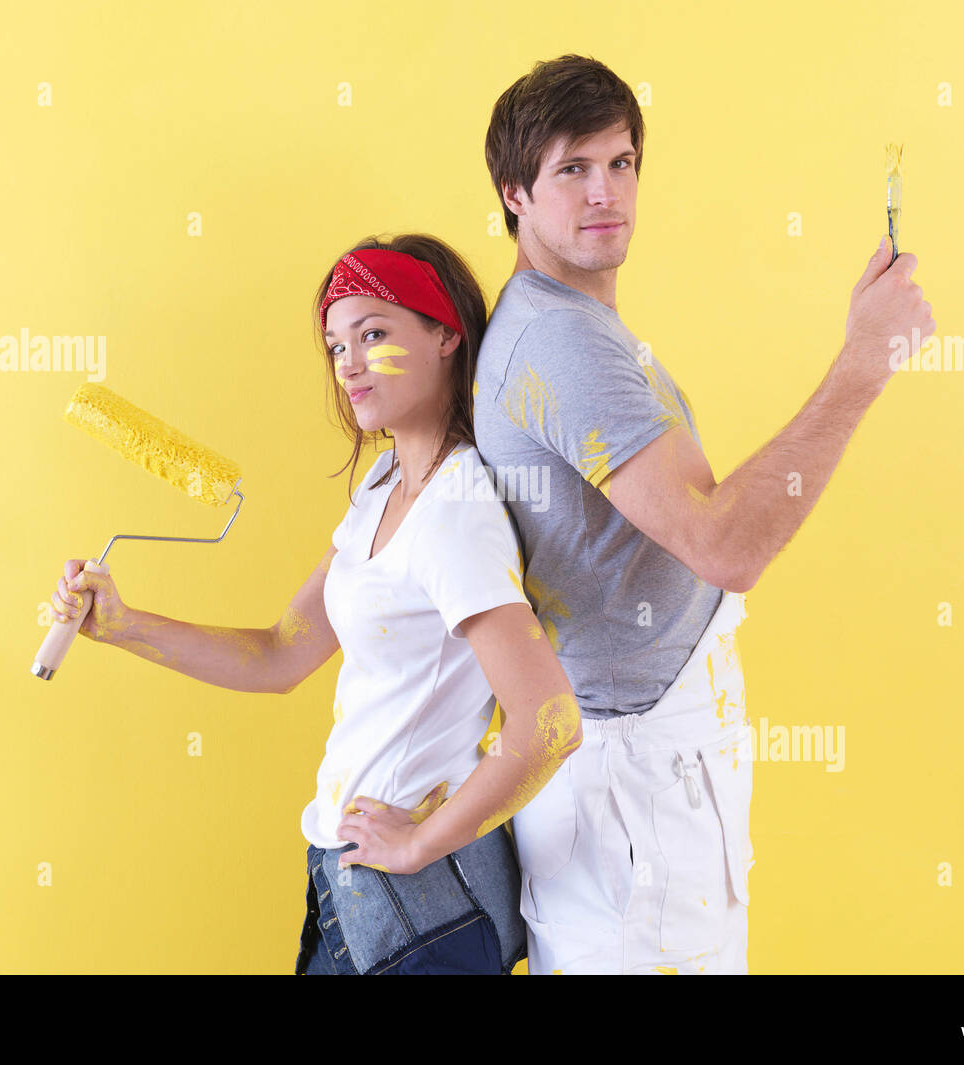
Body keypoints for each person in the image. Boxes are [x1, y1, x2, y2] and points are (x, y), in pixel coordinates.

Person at [475, 55, 935, 974]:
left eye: (621, 163)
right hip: (641, 790)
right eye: (573, 169)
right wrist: (863, 365)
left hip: (639, 778)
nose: (606, 192)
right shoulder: (565, 344)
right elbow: (726, 544)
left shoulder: (559, 318)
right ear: (514, 193)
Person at [46, 234, 584, 975]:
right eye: (337, 345)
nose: (350, 364)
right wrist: (124, 624)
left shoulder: (456, 510)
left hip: (420, 909)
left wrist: (422, 842)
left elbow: (549, 722)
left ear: (444, 336)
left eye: (374, 335)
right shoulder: (383, 487)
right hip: (350, 889)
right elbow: (280, 652)